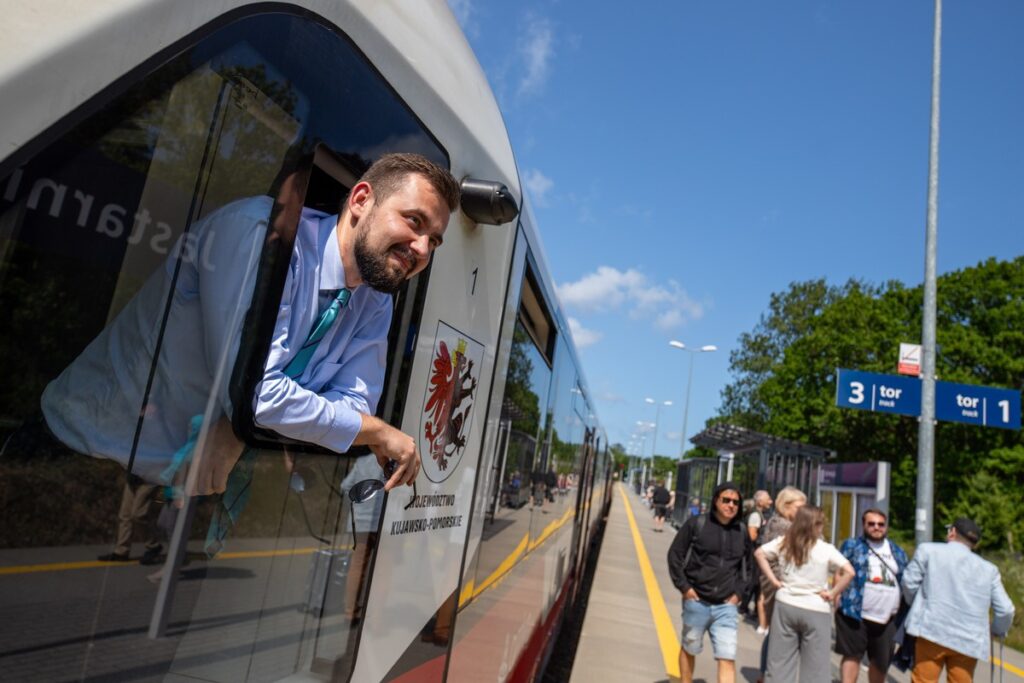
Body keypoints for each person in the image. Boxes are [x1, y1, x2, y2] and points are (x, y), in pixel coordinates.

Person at [36, 154, 458, 532]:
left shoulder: (376, 301)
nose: (422, 249)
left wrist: (239, 427)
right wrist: (376, 432)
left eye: (434, 241)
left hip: (185, 488)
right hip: (80, 456)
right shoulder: (261, 234)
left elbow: (351, 407)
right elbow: (264, 397)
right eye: (414, 221)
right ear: (362, 200)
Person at [901, 517, 1015, 683]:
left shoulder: (928, 551)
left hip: (931, 629)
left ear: (952, 532)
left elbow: (908, 583)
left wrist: (915, 605)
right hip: (968, 640)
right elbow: (1006, 609)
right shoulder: (989, 570)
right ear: (974, 543)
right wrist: (996, 630)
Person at [755, 505, 854, 683]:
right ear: (817, 525)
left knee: (779, 662)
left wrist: (774, 580)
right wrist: (832, 593)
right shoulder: (826, 548)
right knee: (816, 668)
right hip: (816, 607)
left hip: (786, 603)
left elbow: (759, 553)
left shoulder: (785, 542)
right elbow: (849, 572)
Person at [668, 481, 751, 683]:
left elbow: (749, 567)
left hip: (726, 606)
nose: (731, 505)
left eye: (735, 502)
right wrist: (685, 588)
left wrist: (738, 594)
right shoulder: (696, 524)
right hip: (697, 601)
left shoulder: (741, 531)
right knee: (690, 648)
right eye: (726, 500)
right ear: (716, 501)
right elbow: (675, 555)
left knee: (727, 657)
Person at [835, 508, 909, 683]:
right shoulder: (852, 545)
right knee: (852, 656)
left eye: (881, 524)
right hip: (854, 613)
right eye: (871, 524)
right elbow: (839, 572)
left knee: (881, 662)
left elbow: (905, 579)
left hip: (887, 618)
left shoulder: (897, 551)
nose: (876, 527)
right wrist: (836, 597)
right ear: (863, 525)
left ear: (886, 526)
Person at [755, 486, 807, 683]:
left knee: (777, 632)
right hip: (779, 583)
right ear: (786, 506)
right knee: (780, 633)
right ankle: (769, 674)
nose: (803, 512)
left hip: (778, 582)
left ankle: (766, 673)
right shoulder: (783, 526)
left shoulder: (781, 523)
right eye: (799, 507)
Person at [744, 490, 772, 630]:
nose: (770, 501)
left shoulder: (761, 514)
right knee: (753, 581)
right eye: (768, 499)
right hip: (754, 553)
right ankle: (743, 607)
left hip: (756, 552)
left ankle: (753, 609)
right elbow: (752, 535)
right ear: (760, 502)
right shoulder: (756, 516)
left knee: (756, 582)